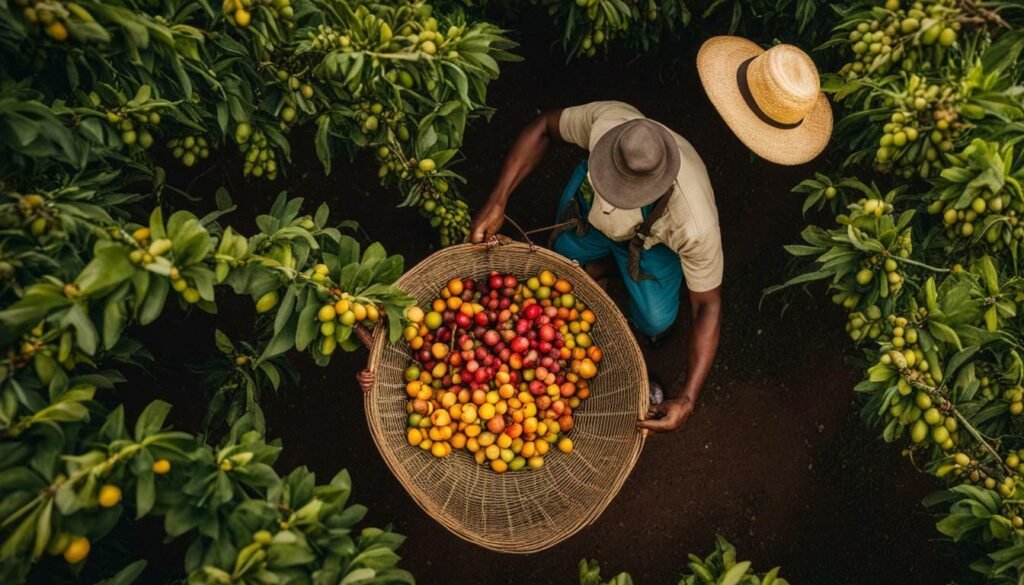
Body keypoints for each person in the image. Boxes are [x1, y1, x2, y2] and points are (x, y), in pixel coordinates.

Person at [358, 37, 832, 434]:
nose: (612, 190)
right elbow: (543, 127)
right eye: (606, 173)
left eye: (624, 192)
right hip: (583, 218)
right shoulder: (611, 121)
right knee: (560, 265)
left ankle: (617, 280)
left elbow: (707, 305)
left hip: (649, 248)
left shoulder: (693, 223)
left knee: (655, 319)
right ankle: (595, 267)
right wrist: (499, 198)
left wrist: (688, 397)